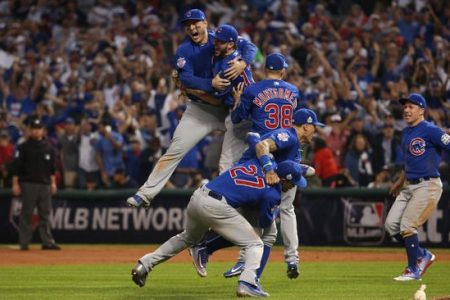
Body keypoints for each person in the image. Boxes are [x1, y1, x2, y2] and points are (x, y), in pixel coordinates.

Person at [127, 9, 256, 208]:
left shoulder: (220, 37)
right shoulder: (184, 50)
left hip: (231, 109)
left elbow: (250, 46)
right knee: (175, 149)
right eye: (188, 25)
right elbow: (186, 79)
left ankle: (230, 205)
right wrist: (210, 84)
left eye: (196, 22)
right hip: (201, 109)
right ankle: (145, 193)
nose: (192, 27)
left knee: (241, 152)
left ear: (205, 23)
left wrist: (244, 63)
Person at [130, 158, 306, 298]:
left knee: (187, 238)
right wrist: (270, 214)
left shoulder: (258, 162)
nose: (293, 186)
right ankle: (247, 283)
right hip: (217, 206)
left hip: (199, 195)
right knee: (255, 243)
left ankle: (144, 264)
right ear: (283, 179)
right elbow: (265, 223)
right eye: (292, 182)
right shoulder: (273, 193)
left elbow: (256, 144)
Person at [189, 109, 323, 280]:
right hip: (251, 184)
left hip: (253, 185)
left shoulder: (293, 143)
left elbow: (260, 143)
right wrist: (269, 169)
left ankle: (208, 250)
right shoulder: (287, 136)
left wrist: (303, 169)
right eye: (314, 126)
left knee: (253, 230)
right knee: (265, 233)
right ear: (305, 126)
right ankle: (250, 280)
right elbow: (260, 144)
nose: (316, 130)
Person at [385, 93, 449, 281]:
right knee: (391, 226)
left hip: (427, 184)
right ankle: (422, 255)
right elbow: (408, 162)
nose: (406, 110)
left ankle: (413, 270)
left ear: (422, 111)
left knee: (407, 225)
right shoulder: (405, 133)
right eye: (405, 107)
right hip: (408, 185)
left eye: (411, 107)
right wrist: (398, 182)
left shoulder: (431, 130)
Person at [11, 118, 60, 251]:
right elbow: (16, 167)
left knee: (45, 214)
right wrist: (15, 184)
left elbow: (52, 169)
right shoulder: (23, 147)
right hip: (28, 183)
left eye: (38, 128)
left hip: (45, 184)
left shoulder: (49, 147)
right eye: (33, 128)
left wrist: (53, 183)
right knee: (27, 214)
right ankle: (24, 243)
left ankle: (47, 242)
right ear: (29, 130)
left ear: (43, 131)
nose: (36, 131)